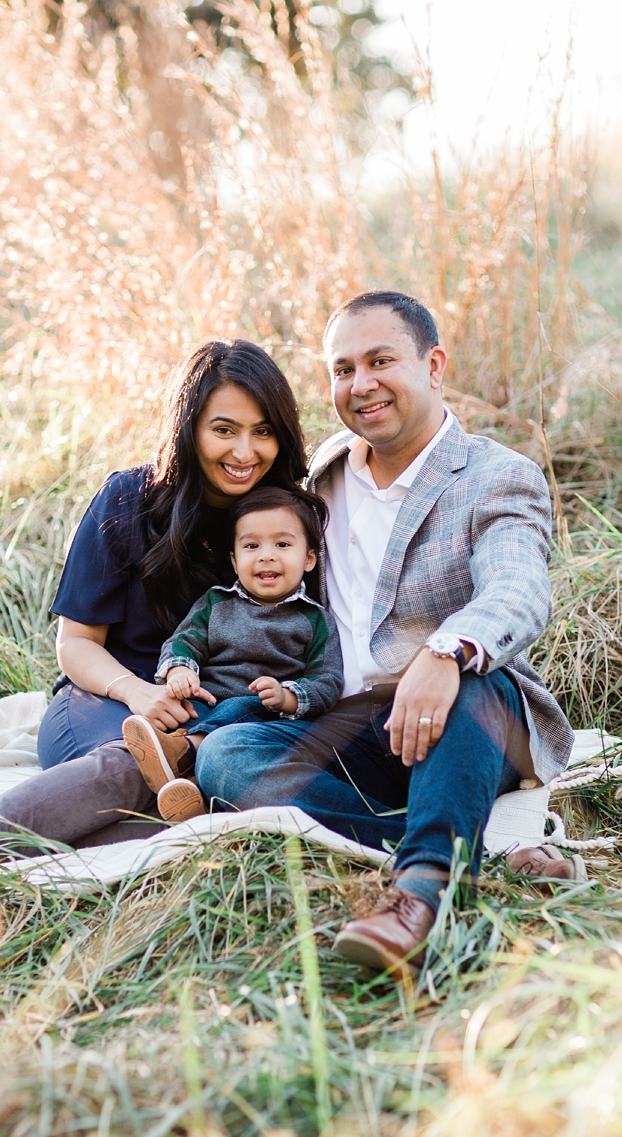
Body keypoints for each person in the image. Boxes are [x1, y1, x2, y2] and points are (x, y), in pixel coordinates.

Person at [195, 290, 583, 972]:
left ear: (434, 366)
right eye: (343, 369)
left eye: (381, 361)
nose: (361, 384)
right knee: (225, 756)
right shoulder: (321, 478)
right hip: (352, 724)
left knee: (471, 685)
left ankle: (418, 897)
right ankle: (478, 849)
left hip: (468, 713)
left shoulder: (496, 477)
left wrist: (447, 651)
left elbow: (518, 588)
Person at [36, 339, 311, 771]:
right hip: (112, 696)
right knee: (125, 768)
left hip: (223, 717)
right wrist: (135, 692)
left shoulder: (285, 522)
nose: (244, 453)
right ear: (189, 428)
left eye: (263, 431)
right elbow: (76, 643)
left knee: (202, 782)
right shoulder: (127, 499)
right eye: (223, 430)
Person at [123, 485, 344, 823]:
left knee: (242, 707)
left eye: (282, 545)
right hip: (208, 702)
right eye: (251, 546)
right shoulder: (216, 603)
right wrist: (180, 671)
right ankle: (191, 793)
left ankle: (181, 752)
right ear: (234, 559)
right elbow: (184, 641)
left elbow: (327, 680)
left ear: (309, 558)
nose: (266, 555)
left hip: (262, 715)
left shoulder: (314, 619)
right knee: (179, 711)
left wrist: (287, 697)